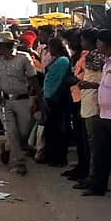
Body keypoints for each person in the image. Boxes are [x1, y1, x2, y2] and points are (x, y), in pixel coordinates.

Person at [74, 29, 111, 196]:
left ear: (106, 44)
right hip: (104, 113)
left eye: (99, 41)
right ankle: (97, 185)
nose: (97, 44)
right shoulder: (107, 62)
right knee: (102, 153)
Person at [0, 33, 39, 175]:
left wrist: (40, 96)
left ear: (6, 45)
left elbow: (33, 78)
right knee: (11, 131)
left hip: (22, 100)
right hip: (5, 100)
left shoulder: (24, 58)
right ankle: (19, 162)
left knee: (23, 132)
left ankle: (6, 147)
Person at [67, 29, 104, 183]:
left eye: (83, 40)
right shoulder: (85, 56)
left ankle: (91, 175)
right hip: (82, 100)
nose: (81, 43)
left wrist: (79, 82)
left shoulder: (96, 58)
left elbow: (90, 79)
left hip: (91, 102)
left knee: (91, 142)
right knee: (83, 140)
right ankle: (84, 170)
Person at [41, 38, 72, 167]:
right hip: (50, 97)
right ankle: (52, 155)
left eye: (50, 47)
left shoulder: (63, 61)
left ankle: (60, 158)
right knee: (51, 129)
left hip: (58, 99)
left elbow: (60, 80)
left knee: (59, 129)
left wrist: (52, 96)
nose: (49, 50)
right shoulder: (57, 60)